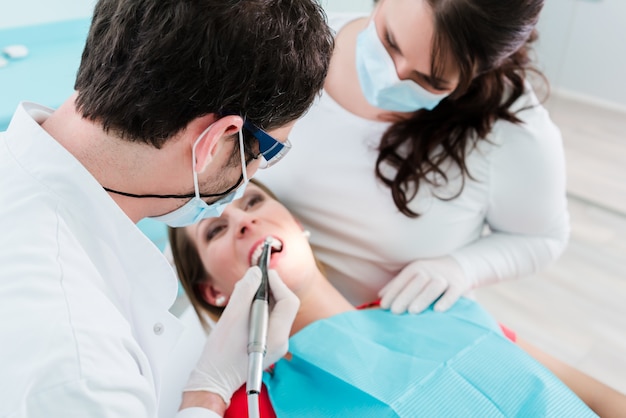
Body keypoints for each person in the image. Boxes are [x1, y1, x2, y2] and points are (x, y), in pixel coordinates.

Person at [0, 0, 333, 416]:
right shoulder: (82, 368)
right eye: (269, 151)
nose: (243, 217)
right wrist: (206, 396)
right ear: (214, 141)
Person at [169, 180, 626, 418]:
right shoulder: (251, 404)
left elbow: (598, 399)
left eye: (251, 204)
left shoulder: (434, 305)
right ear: (215, 293)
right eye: (216, 229)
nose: (244, 223)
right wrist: (205, 395)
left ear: (296, 224)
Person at [257, 0, 570, 314]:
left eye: (431, 81)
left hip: (381, 337)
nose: (393, 77)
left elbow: (544, 238)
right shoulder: (290, 49)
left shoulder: (512, 128)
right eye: (390, 41)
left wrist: (461, 268)